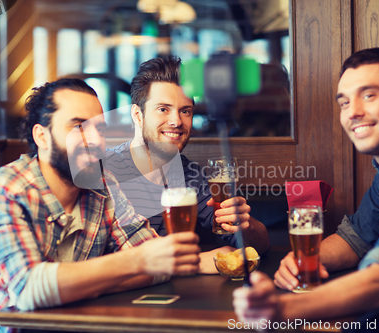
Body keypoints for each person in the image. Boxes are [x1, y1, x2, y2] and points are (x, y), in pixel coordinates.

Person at [0, 79, 201, 333]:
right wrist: (136, 262)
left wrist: (80, 284)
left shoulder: (103, 184)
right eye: (78, 127)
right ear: (42, 136)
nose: (92, 140)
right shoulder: (5, 190)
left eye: (99, 129)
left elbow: (157, 266)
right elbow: (28, 289)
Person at [233, 47, 379, 330]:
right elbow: (357, 236)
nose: (353, 112)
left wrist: (284, 309)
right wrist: (305, 258)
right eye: (344, 102)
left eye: (369, 95)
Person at [104, 56, 270, 272]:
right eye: (163, 109)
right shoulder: (106, 170)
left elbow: (258, 246)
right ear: (137, 114)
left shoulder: (190, 174)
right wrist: (198, 262)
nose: (177, 121)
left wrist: (246, 226)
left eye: (185, 111)